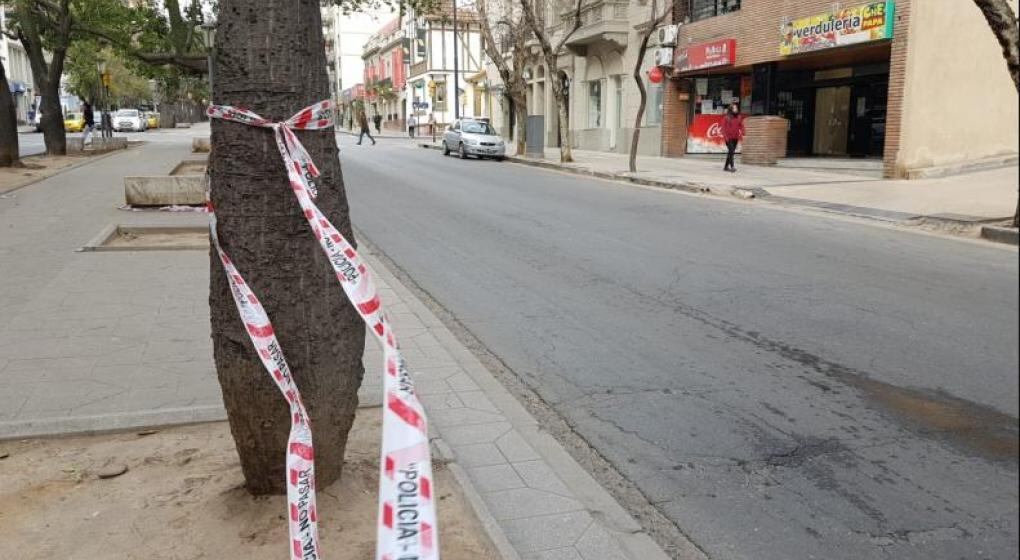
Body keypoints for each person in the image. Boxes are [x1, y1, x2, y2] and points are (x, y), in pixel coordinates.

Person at [721, 103, 745, 173]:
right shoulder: (726, 118)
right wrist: (725, 138)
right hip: (728, 138)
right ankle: (732, 166)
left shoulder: (739, 117)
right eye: (734, 108)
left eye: (736, 108)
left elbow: (741, 125)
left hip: (735, 138)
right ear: (731, 109)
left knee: (731, 152)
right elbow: (723, 128)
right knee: (731, 151)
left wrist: (743, 132)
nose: (736, 109)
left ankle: (725, 167)